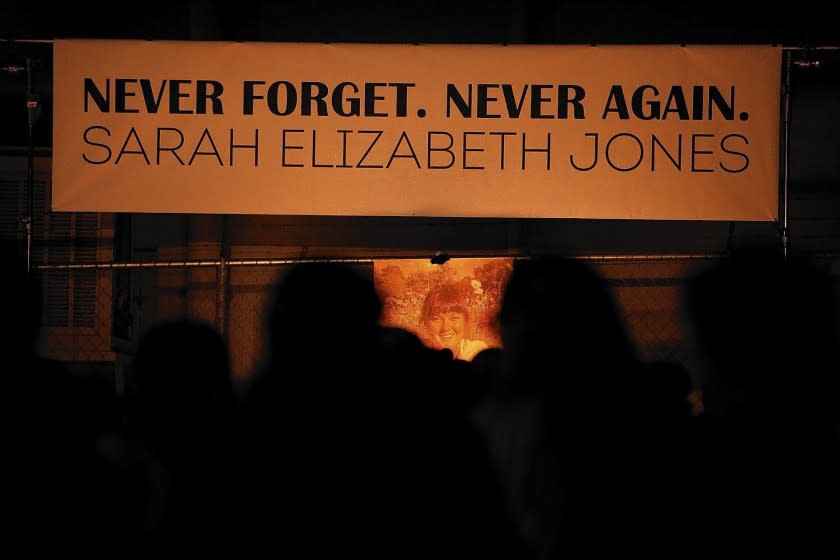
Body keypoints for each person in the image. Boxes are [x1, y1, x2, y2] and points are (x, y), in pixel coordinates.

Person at [420, 282, 488, 361]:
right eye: (436, 319)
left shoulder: (477, 352)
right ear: (425, 323)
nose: (445, 328)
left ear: (465, 321)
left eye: (454, 318)